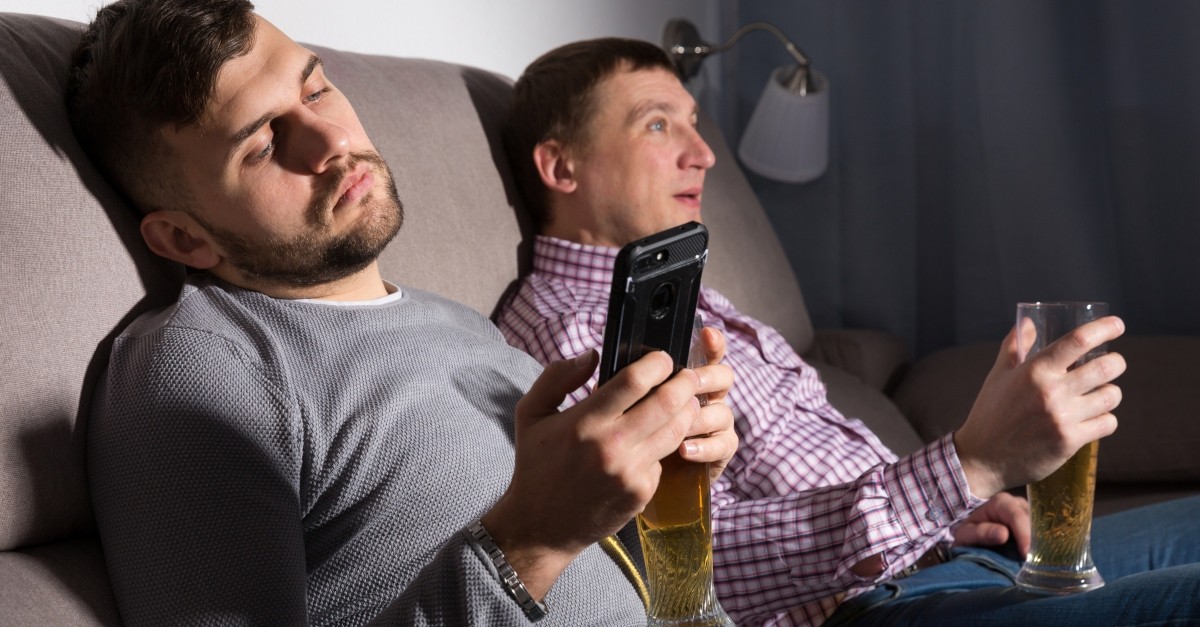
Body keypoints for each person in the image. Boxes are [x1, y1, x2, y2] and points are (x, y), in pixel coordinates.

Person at [67, 2, 738, 625]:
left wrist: (667, 479)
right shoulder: (198, 368)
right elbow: (539, 542)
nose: (329, 139)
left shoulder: (461, 326)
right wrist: (529, 543)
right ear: (186, 239)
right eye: (264, 145)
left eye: (315, 89)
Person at [496, 37, 1200, 626]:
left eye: (693, 122)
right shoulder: (577, 334)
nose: (704, 153)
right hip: (876, 608)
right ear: (561, 165)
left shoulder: (690, 298)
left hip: (946, 552)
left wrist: (952, 511)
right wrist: (966, 466)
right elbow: (676, 572)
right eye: (658, 125)